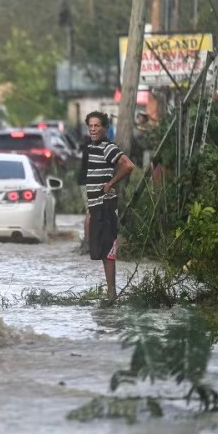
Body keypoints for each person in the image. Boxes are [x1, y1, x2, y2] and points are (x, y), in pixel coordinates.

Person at [84, 111, 135, 300]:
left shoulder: (108, 147)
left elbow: (128, 165)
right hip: (96, 206)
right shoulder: (91, 147)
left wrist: (110, 183)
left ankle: (112, 294)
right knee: (102, 250)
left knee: (108, 250)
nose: (93, 129)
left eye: (96, 125)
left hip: (105, 205)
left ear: (105, 128)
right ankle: (110, 293)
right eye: (90, 126)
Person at [77, 133, 91, 255]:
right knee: (90, 212)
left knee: (90, 212)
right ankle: (87, 242)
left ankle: (88, 242)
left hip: (84, 182)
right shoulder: (90, 151)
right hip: (88, 183)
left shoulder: (86, 149)